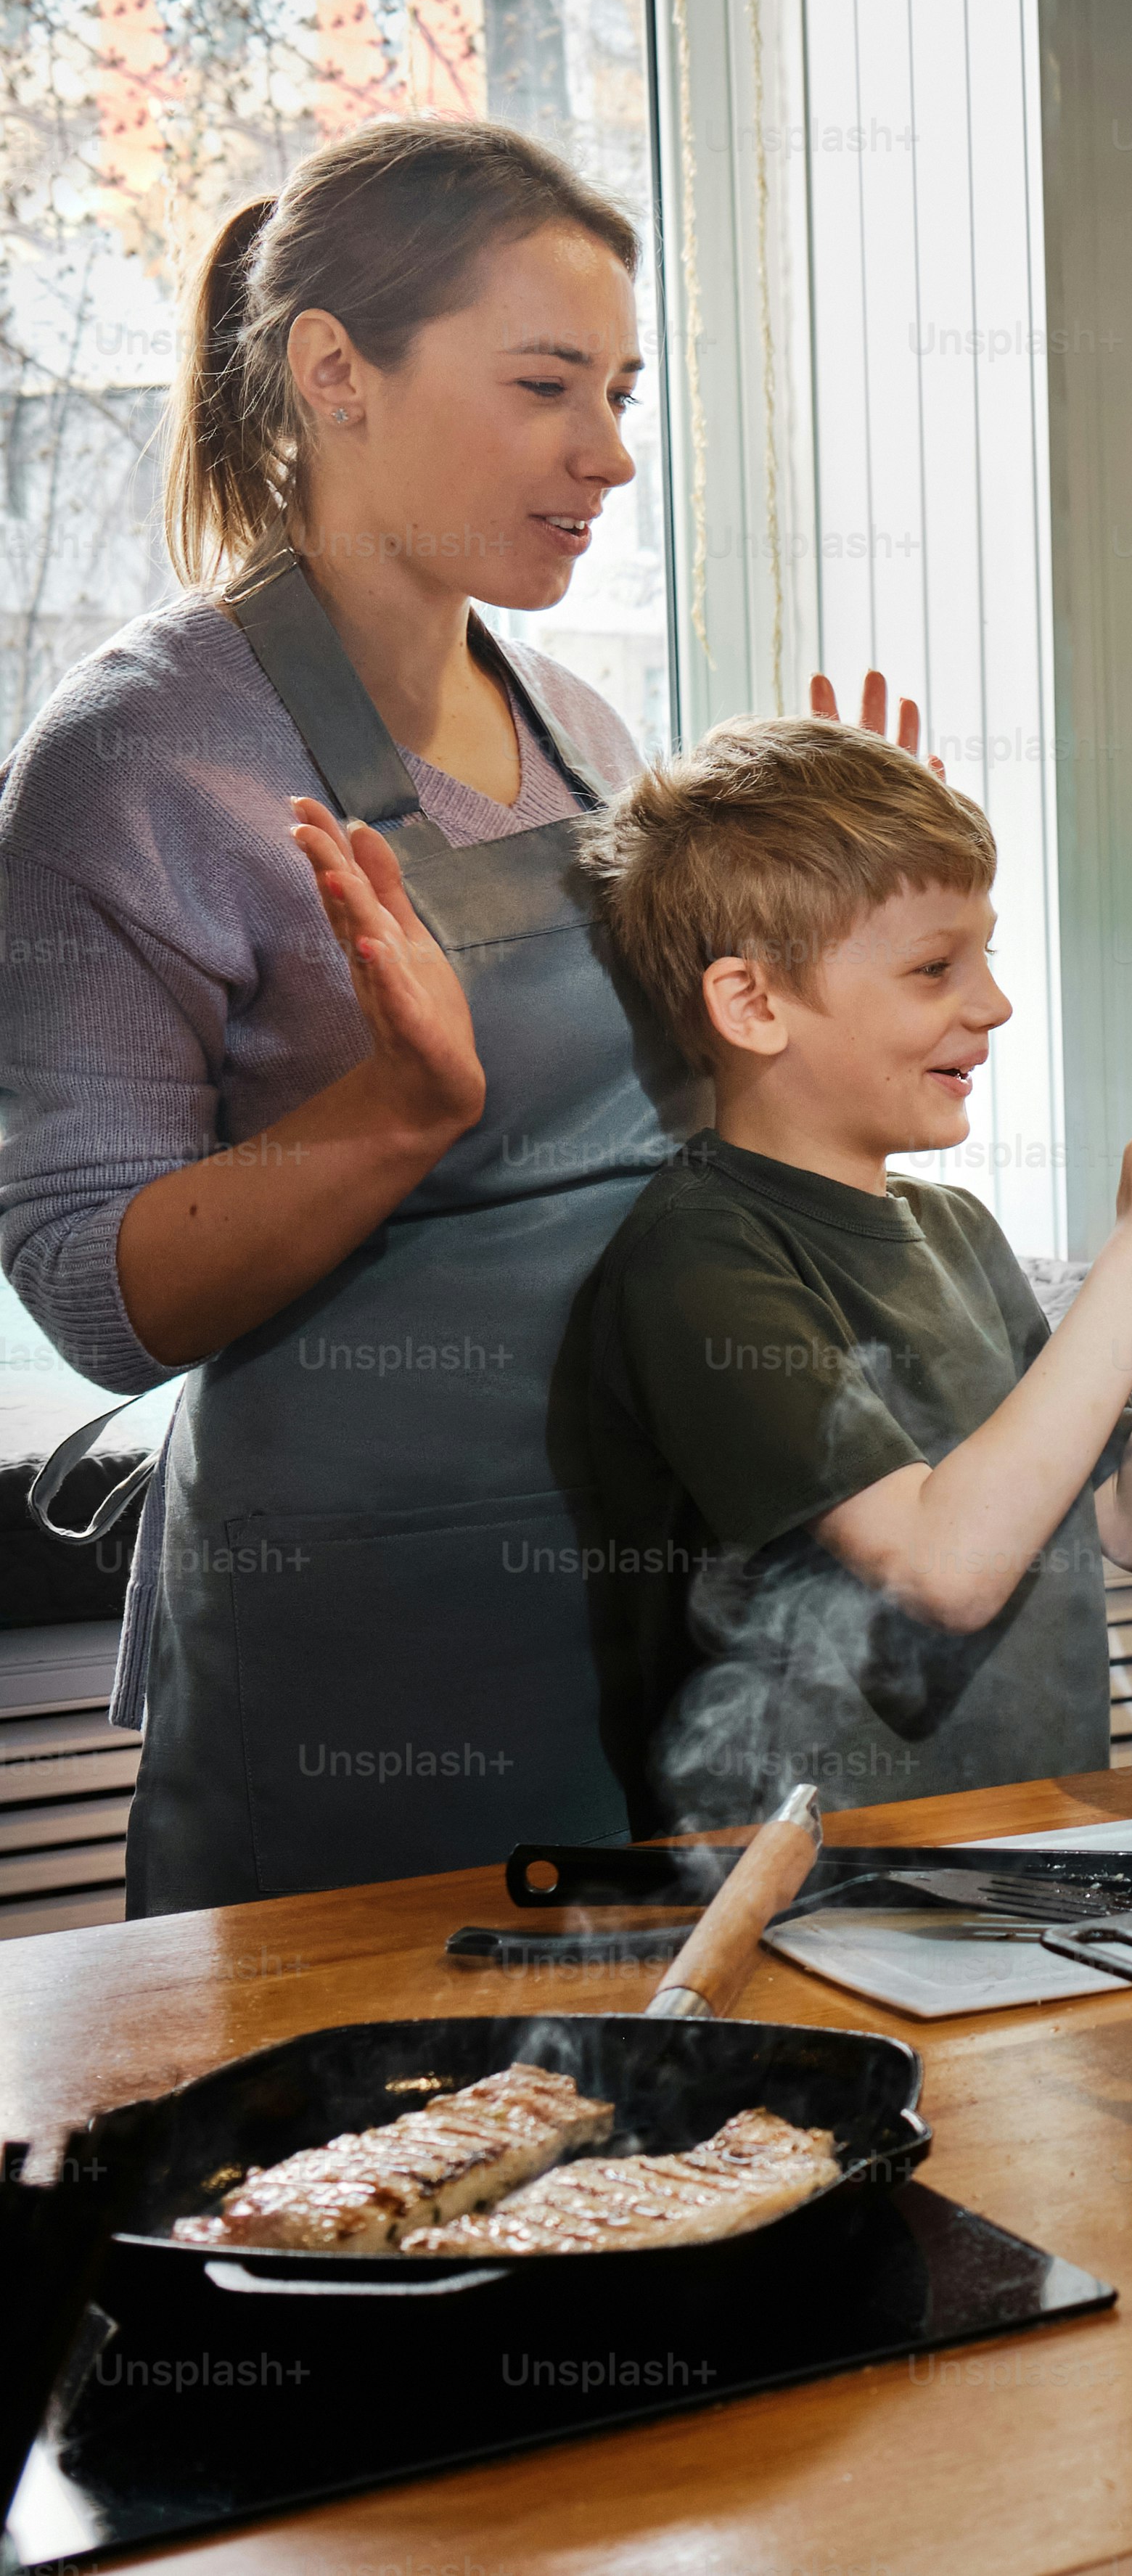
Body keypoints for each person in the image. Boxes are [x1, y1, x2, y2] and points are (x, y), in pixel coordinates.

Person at [0, 119, 684, 1911]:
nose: (608, 452)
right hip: (349, 1658)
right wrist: (394, 1112)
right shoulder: (135, 758)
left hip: (633, 1611)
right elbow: (97, 1291)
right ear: (333, 372)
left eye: (619, 391)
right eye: (548, 386)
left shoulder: (585, 736)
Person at [569, 719, 1132, 1829]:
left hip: (1019, 1856)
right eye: (933, 968)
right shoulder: (702, 1258)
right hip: (806, 1893)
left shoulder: (955, 1230)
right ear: (752, 1005)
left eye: (985, 957)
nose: (994, 1005)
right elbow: (943, 1569)